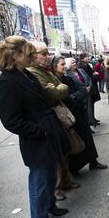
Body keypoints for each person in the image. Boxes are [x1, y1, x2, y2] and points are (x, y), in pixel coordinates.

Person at [0, 36, 68, 218]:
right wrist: (39, 131)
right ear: (16, 55)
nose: (32, 57)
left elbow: (42, 97)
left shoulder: (27, 74)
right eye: (29, 54)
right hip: (36, 139)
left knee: (50, 175)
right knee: (40, 180)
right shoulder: (6, 82)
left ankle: (50, 206)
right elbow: (11, 121)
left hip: (46, 132)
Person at [27, 42, 79, 201]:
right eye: (44, 54)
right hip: (50, 116)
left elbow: (60, 88)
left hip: (56, 115)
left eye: (47, 53)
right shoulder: (34, 73)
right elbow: (53, 94)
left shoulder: (44, 71)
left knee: (63, 151)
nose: (47, 56)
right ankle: (57, 188)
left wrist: (58, 87)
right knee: (55, 154)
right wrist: (59, 88)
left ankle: (65, 181)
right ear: (34, 56)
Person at [64, 57, 108, 173]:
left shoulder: (81, 71)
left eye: (74, 61)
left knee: (88, 138)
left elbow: (88, 79)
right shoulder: (67, 76)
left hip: (83, 105)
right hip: (75, 109)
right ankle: (75, 167)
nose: (74, 63)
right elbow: (71, 93)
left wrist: (88, 88)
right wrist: (84, 90)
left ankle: (93, 162)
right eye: (71, 62)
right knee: (78, 139)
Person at [78, 53, 101, 127]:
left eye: (88, 57)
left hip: (91, 87)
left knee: (91, 104)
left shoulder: (86, 65)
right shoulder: (83, 66)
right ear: (82, 58)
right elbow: (88, 77)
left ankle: (92, 118)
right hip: (89, 88)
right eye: (86, 57)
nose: (88, 58)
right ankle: (91, 120)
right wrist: (96, 75)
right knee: (90, 105)